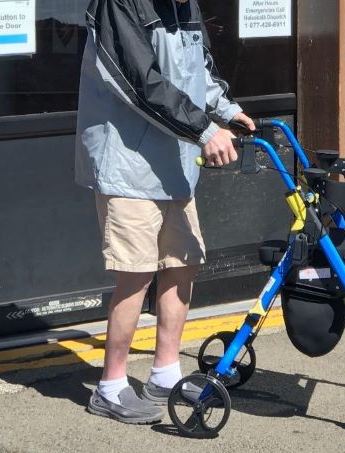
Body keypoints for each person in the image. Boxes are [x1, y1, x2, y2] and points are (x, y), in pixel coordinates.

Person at [75, 0, 256, 424]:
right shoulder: (118, 5)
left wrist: (228, 111)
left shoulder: (185, 6)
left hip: (174, 163)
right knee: (135, 274)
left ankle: (165, 373)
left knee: (181, 265)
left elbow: (200, 71)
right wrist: (206, 129)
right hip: (128, 165)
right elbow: (141, 84)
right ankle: (111, 385)